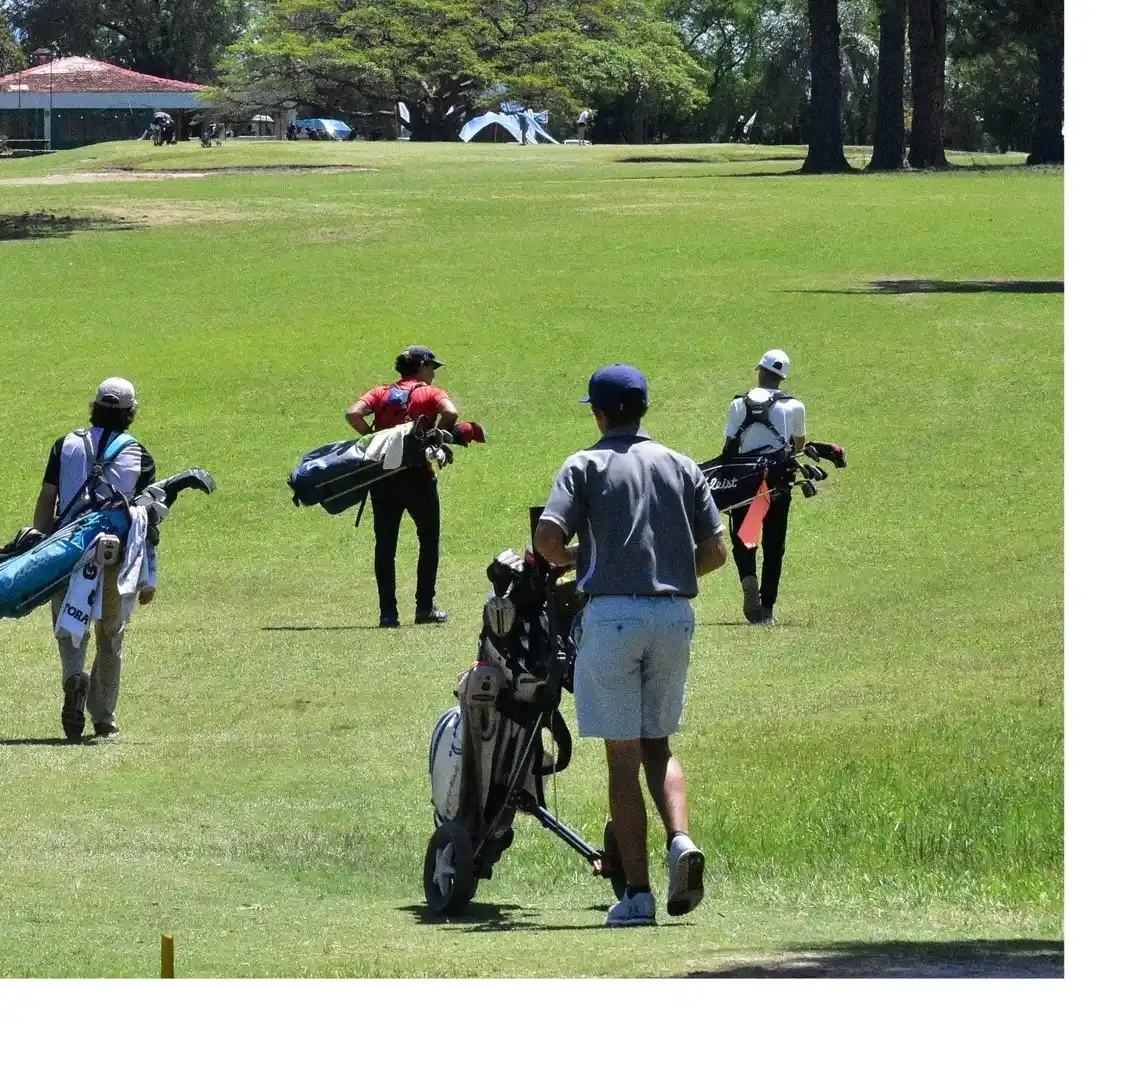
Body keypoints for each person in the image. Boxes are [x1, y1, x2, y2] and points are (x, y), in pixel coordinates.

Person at [534, 365, 727, 927]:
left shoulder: (585, 465)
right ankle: (682, 840)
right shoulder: (682, 465)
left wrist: (580, 561)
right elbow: (716, 551)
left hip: (612, 615)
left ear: (599, 412)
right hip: (673, 615)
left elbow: (547, 538)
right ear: (642, 408)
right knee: (658, 746)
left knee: (621, 757)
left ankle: (638, 896)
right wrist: (667, 570)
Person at [32, 378, 157, 741]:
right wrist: (151, 574)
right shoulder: (140, 455)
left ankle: (74, 677)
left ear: (94, 407)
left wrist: (40, 548)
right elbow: (147, 520)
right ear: (130, 413)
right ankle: (104, 716)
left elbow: (46, 499)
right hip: (116, 556)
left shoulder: (65, 445)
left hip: (65, 549)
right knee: (111, 634)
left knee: (70, 624)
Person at [346, 345, 460, 628]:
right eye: (432, 367)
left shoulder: (381, 392)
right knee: (428, 541)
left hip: (383, 478)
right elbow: (452, 413)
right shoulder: (430, 393)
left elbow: (353, 414)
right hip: (418, 476)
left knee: (385, 546)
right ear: (422, 366)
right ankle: (424, 608)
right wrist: (437, 435)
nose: (434, 373)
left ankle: (388, 614)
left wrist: (374, 437)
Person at [722, 348, 806, 626]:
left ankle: (748, 579)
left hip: (746, 482)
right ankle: (767, 607)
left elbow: (729, 446)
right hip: (777, 482)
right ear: (782, 378)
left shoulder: (738, 404)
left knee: (745, 536)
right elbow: (798, 446)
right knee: (774, 543)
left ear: (760, 370)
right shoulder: (794, 406)